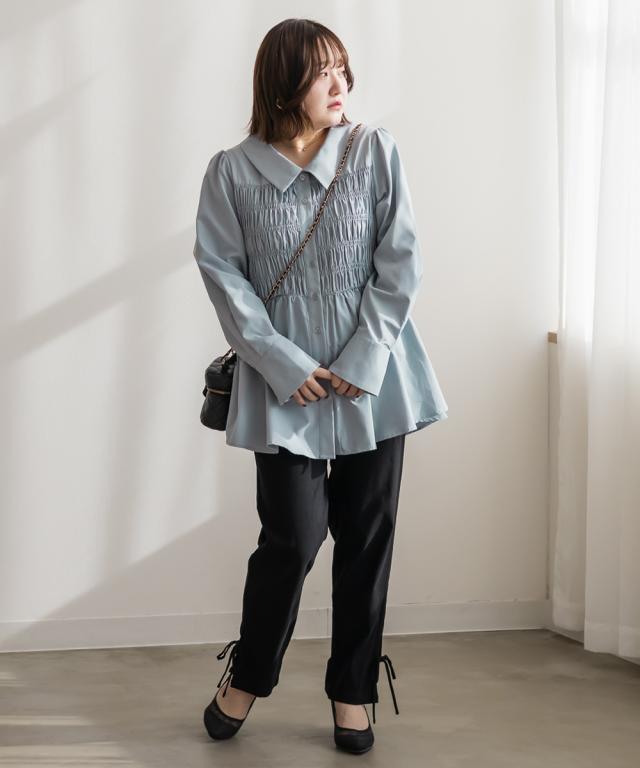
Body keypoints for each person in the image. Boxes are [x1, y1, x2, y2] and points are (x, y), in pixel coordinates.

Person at [193, 17, 448, 754]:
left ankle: (353, 689)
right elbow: (223, 274)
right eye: (322, 71)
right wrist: (282, 363)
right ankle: (250, 673)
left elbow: (400, 262)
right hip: (285, 386)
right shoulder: (231, 172)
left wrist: (364, 359)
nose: (341, 84)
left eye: (343, 67)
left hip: (375, 377)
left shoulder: (374, 151)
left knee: (367, 537)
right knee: (292, 538)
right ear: (283, 82)